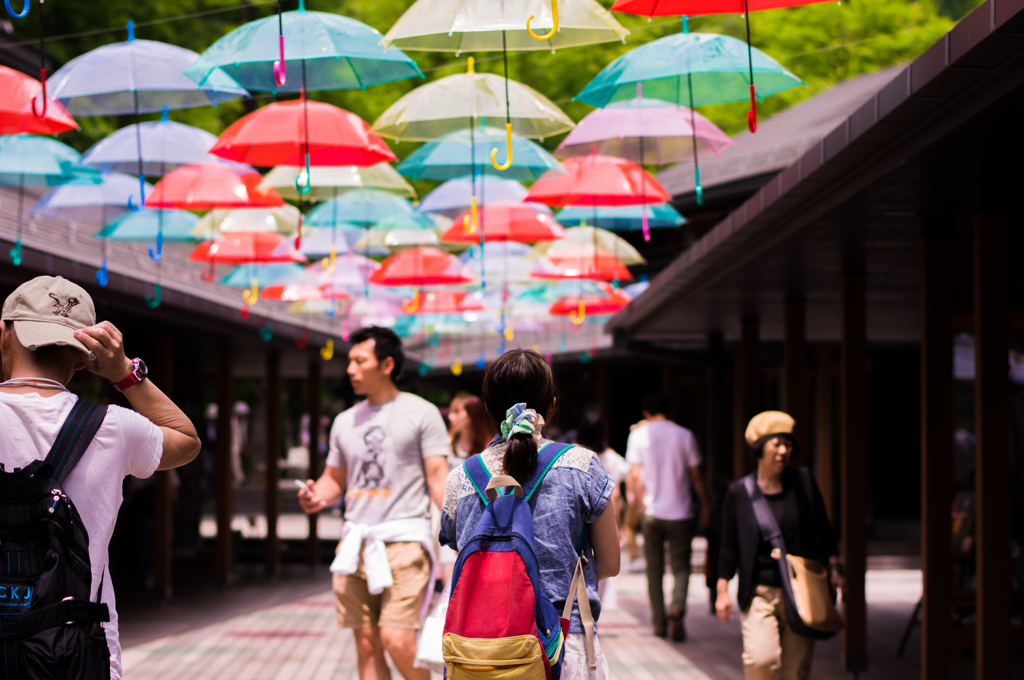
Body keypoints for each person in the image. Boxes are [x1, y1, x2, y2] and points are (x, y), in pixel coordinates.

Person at [0, 276, 201, 679]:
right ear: (81, 358)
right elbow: (187, 440)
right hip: (75, 653)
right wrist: (124, 372)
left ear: (4, 335)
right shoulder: (113, 427)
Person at [439, 349, 620, 679]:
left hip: (480, 650)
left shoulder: (460, 477)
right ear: (552, 404)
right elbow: (610, 563)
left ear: (489, 409)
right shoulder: (582, 466)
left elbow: (461, 547)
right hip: (563, 644)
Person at [298, 326, 451, 680]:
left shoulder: (422, 413)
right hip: (355, 546)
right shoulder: (344, 421)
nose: (350, 369)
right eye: (349, 361)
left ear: (387, 364)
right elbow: (334, 479)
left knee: (396, 640)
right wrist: (315, 495)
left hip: (405, 544)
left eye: (358, 360)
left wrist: (465, 533)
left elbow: (437, 478)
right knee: (366, 644)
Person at [716, 411, 844, 680]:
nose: (783, 451)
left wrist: (835, 569)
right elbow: (728, 546)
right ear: (760, 448)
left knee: (795, 671)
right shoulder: (739, 493)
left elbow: (823, 530)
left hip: (801, 590)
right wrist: (722, 590)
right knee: (760, 661)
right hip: (758, 592)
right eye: (776, 444)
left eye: (788, 445)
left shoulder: (804, 484)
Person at [626, 392, 710, 641]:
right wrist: (705, 505)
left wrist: (641, 505)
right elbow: (696, 476)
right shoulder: (685, 435)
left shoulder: (638, 435)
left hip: (652, 512)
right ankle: (677, 609)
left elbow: (634, 475)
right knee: (681, 567)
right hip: (681, 512)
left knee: (654, 571)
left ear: (645, 413)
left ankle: (659, 624)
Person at [447, 393, 494, 462]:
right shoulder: (447, 443)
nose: (450, 416)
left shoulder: (489, 449)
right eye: (451, 411)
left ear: (471, 415)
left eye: (457, 412)